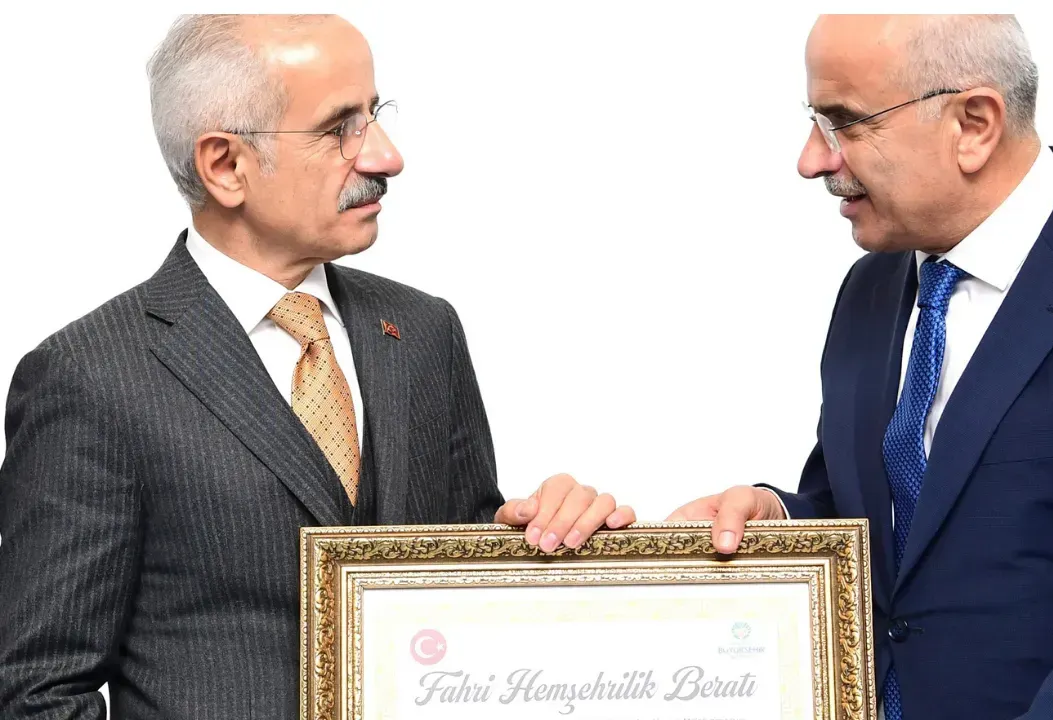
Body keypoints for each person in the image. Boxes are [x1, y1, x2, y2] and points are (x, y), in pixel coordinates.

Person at [0, 14, 634, 718]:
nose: (387, 157)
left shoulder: (425, 333)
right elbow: (36, 691)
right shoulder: (88, 379)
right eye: (340, 129)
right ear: (226, 166)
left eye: (375, 116)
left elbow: (466, 603)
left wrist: (550, 541)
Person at [668, 14, 1053, 720]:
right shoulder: (872, 288)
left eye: (843, 123)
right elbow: (889, 533)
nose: (812, 160)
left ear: (974, 125)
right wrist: (784, 519)